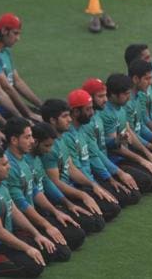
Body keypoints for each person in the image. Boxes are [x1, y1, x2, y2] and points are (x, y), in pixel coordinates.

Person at [0, 148, 48, 278]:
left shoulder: (1, 183)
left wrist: (36, 234)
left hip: (4, 239)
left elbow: (14, 211)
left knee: (45, 250)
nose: (9, 166)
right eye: (5, 164)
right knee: (34, 267)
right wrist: (27, 248)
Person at [3, 117, 72, 262]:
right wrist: (43, 227)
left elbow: (34, 190)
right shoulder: (8, 166)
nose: (32, 141)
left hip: (32, 217)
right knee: (61, 252)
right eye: (27, 137)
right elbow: (20, 205)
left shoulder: (23, 159)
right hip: (19, 225)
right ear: (14, 140)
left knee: (75, 233)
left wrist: (56, 211)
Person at [39, 99, 109, 231]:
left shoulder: (62, 138)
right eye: (65, 116)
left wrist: (93, 185)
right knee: (94, 223)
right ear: (53, 120)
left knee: (109, 207)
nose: (69, 119)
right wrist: (81, 195)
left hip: (70, 189)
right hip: (60, 196)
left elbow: (71, 168)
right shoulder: (49, 148)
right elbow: (55, 183)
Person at [82, 77, 152, 195]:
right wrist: (115, 175)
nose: (105, 100)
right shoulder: (90, 123)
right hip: (103, 167)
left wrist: (117, 141)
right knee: (138, 191)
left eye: (105, 95)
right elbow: (95, 154)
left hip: (107, 165)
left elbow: (105, 143)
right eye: (101, 96)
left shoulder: (97, 115)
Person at [65, 88, 141, 207]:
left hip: (93, 177)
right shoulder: (69, 135)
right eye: (88, 109)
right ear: (75, 112)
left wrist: (110, 178)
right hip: (82, 183)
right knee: (114, 207)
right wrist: (97, 185)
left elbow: (95, 154)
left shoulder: (83, 128)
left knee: (132, 195)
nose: (92, 112)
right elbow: (79, 169)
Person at [101, 74, 152, 192]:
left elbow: (129, 131)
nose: (129, 97)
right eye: (126, 94)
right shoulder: (107, 114)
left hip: (125, 154)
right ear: (114, 95)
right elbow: (115, 148)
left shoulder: (120, 107)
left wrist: (148, 154)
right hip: (115, 160)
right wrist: (141, 160)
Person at [29, 122, 86, 249]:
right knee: (70, 242)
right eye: (46, 145)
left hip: (44, 207)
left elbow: (46, 182)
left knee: (85, 226)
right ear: (35, 142)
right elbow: (26, 200)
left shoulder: (37, 157)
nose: (49, 150)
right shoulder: (23, 163)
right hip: (34, 212)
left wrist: (68, 204)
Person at [0, 13, 43, 122]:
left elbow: (17, 81)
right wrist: (28, 114)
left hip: (10, 106)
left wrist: (41, 106)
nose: (18, 38)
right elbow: (7, 88)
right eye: (15, 33)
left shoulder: (6, 51)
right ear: (4, 31)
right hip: (0, 110)